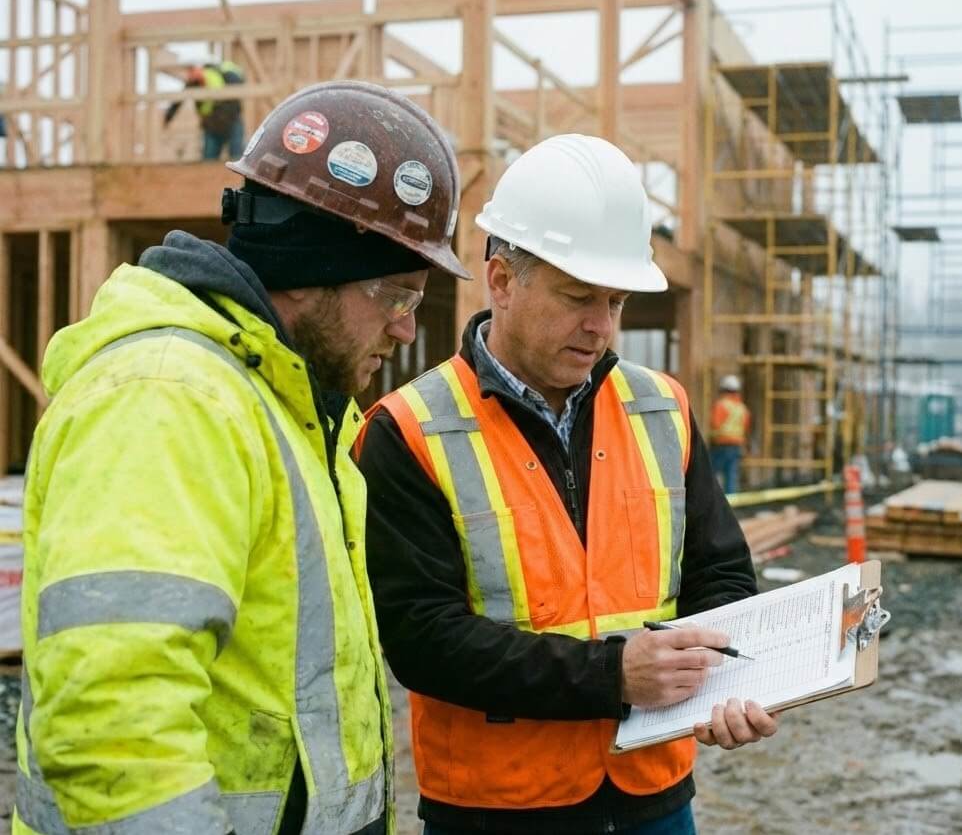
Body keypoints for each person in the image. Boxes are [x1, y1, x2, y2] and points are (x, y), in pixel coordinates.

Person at [14, 81, 470, 835]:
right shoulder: (170, 399)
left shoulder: (288, 407)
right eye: (397, 294)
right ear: (314, 266)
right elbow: (115, 722)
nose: (402, 331)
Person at [358, 134, 778, 835]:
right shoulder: (409, 430)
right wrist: (614, 675)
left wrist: (727, 679)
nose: (601, 327)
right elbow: (423, 639)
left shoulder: (662, 407)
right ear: (501, 280)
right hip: (498, 808)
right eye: (578, 296)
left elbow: (722, 571)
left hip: (656, 796)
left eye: (614, 301)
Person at [164, 59, 246, 160]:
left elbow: (235, 99)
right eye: (189, 72)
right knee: (209, 160)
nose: (190, 75)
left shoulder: (219, 75)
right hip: (211, 126)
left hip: (231, 122)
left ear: (200, 69)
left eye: (192, 70)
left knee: (236, 157)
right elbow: (179, 100)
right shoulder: (193, 83)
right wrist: (168, 116)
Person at [709, 375, 751, 494]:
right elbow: (746, 428)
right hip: (736, 446)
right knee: (731, 476)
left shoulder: (721, 405)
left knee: (710, 475)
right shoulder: (742, 408)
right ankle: (731, 504)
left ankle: (710, 502)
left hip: (721, 445)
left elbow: (714, 424)